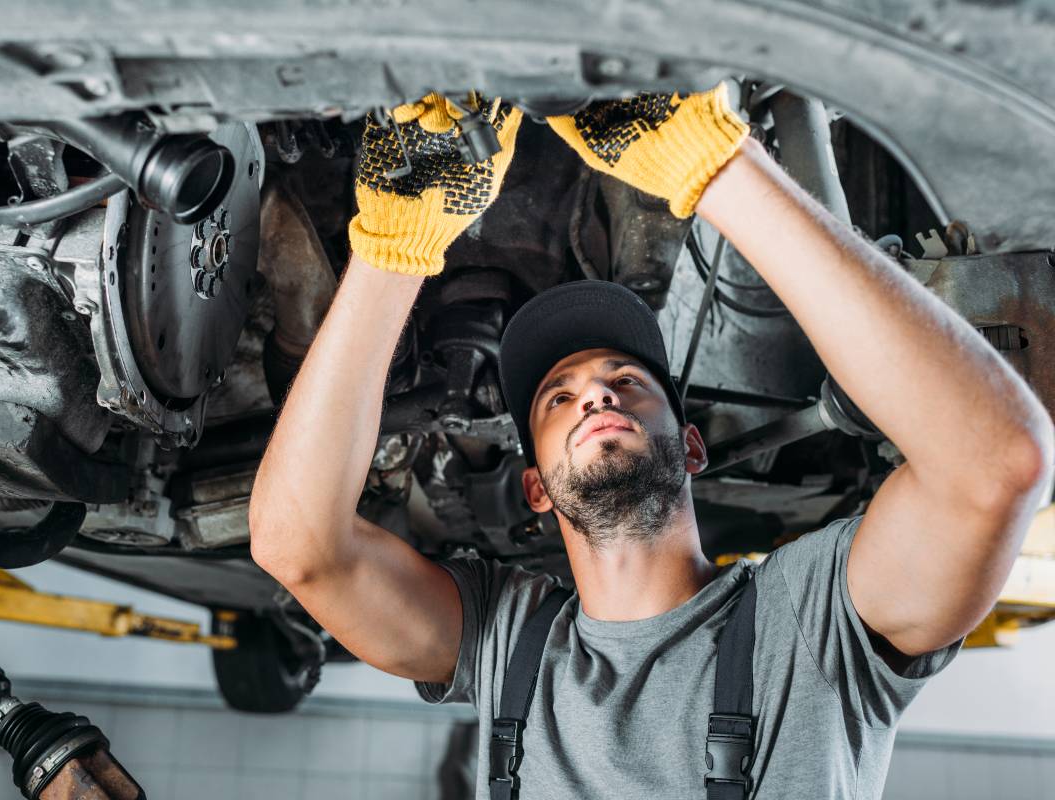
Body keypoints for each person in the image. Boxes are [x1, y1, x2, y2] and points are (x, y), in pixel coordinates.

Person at [247, 86, 1053, 797]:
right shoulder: (510, 638)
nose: (595, 391)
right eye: (559, 398)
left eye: (627, 382)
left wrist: (714, 167)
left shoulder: (812, 628)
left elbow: (997, 467)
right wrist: (395, 245)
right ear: (535, 488)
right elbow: (302, 547)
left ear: (693, 449)